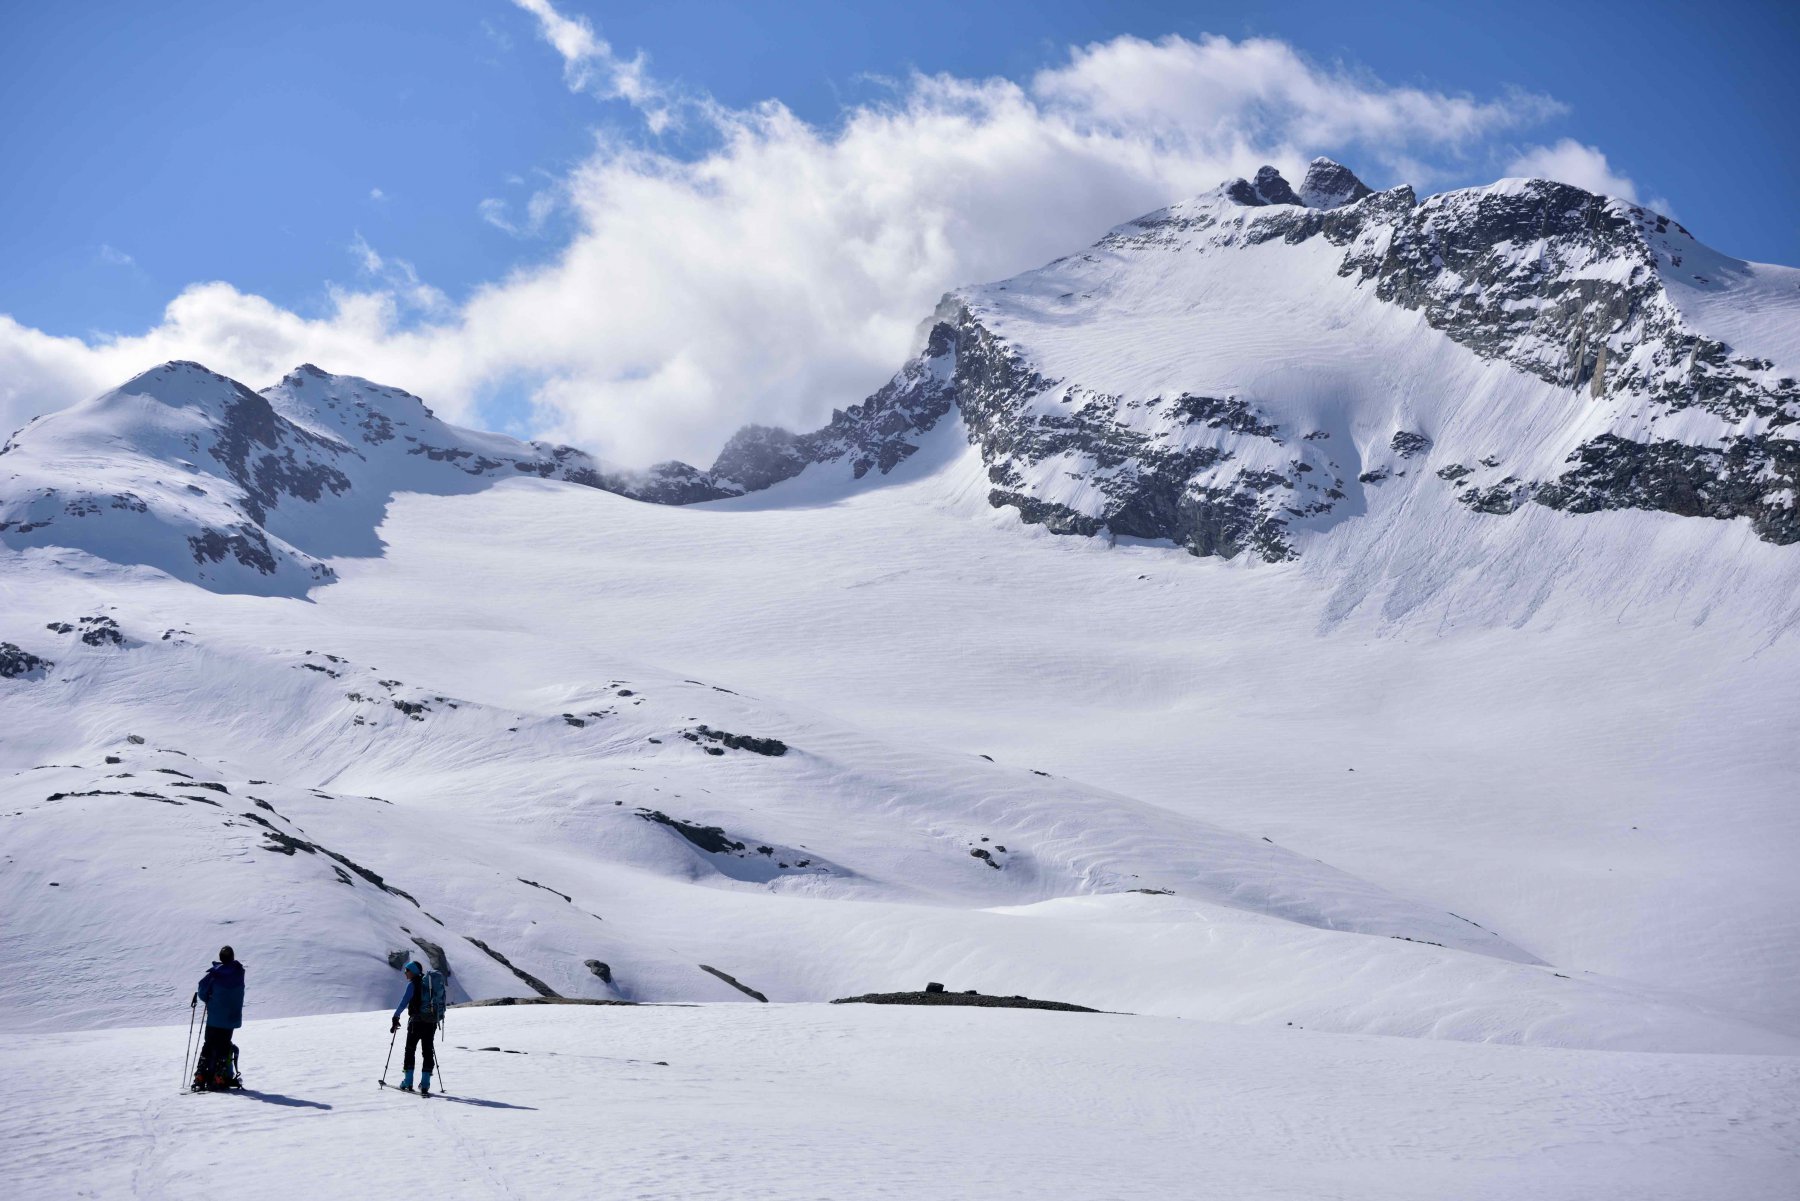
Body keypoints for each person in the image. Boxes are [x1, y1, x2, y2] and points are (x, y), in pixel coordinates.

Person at [193, 946, 245, 1090]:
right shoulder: (239, 973)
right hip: (230, 1019)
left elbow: (202, 991)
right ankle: (220, 1077)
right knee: (224, 1045)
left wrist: (209, 999)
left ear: (221, 958)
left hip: (214, 1018)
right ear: (232, 957)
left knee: (208, 1044)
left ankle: (201, 1076)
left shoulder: (215, 975)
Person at [391, 960, 436, 1094]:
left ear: (413, 972)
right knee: (427, 1051)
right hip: (430, 1023)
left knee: (410, 1050)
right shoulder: (429, 984)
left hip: (415, 1023)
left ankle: (408, 1081)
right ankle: (425, 1084)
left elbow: (403, 1002)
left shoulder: (413, 985)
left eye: (407, 970)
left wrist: (396, 1016)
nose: (405, 973)